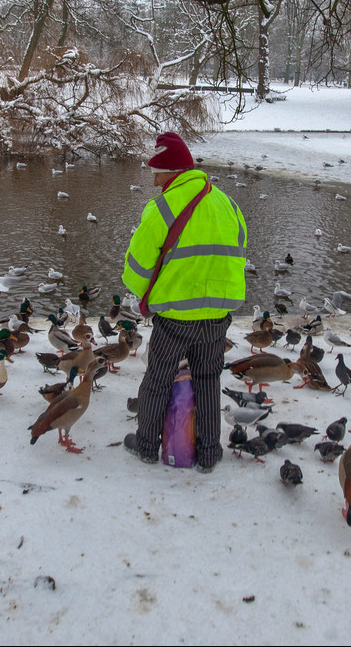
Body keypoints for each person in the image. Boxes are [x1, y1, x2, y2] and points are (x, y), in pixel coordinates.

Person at [121, 131, 248, 472]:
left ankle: (147, 446)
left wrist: (144, 293)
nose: (153, 182)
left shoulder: (162, 207)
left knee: (159, 378)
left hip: (176, 316)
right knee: (208, 380)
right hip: (217, 315)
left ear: (173, 173)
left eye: (157, 175)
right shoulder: (228, 204)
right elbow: (238, 253)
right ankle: (208, 453)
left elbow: (136, 267)